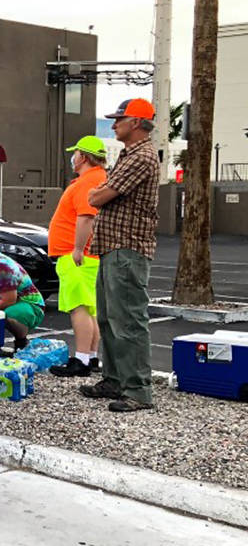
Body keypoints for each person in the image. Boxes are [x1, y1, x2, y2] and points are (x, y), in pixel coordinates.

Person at [82, 99, 160, 412]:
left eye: (119, 119)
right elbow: (100, 193)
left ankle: (138, 390)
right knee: (109, 317)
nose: (114, 124)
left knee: (128, 320)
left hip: (127, 248)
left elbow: (100, 196)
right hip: (114, 247)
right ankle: (114, 379)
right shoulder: (130, 155)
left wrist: (97, 193)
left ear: (138, 122)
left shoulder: (141, 156)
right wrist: (98, 192)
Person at [48, 136, 108, 377]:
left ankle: (82, 360)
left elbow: (86, 217)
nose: (72, 157)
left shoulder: (88, 181)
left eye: (75, 153)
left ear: (83, 156)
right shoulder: (97, 179)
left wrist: (77, 248)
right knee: (89, 307)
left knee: (78, 307)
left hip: (75, 255)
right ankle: (90, 357)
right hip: (87, 255)